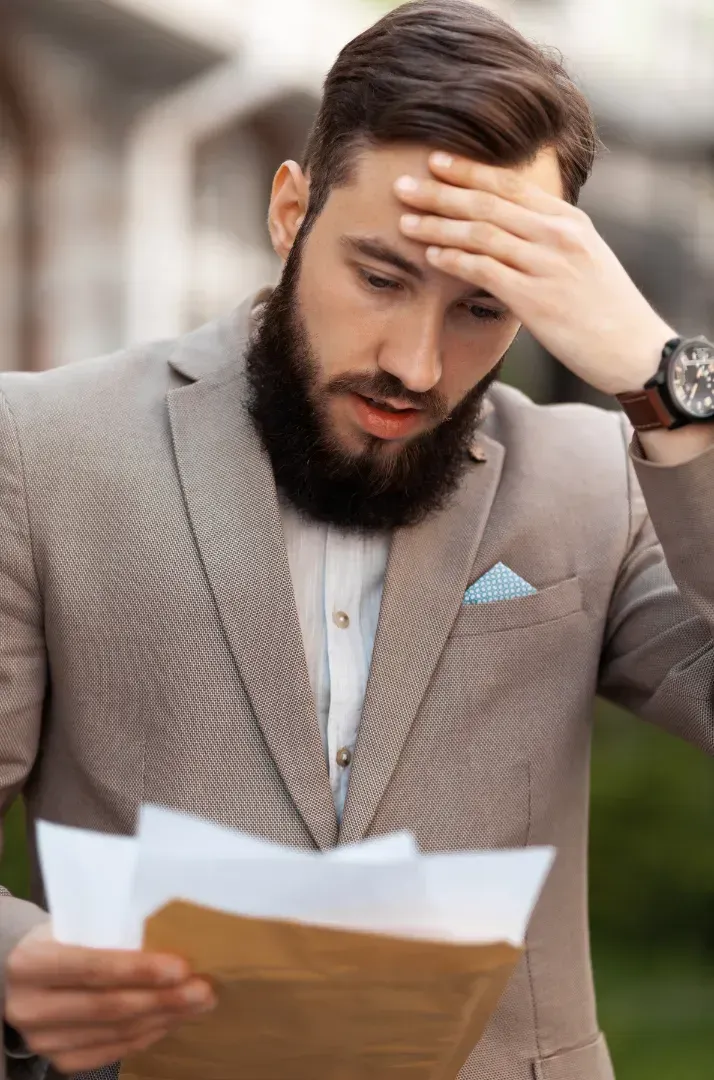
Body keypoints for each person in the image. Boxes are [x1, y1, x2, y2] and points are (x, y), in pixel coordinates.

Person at [1, 1, 713, 1078]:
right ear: (290, 210)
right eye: (380, 279)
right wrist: (13, 966)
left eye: (484, 306)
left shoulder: (597, 482)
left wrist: (668, 385)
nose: (416, 365)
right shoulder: (42, 448)